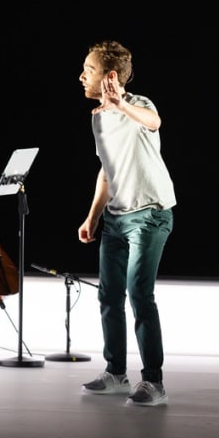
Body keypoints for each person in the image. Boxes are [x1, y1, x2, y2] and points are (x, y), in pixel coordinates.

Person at [77, 40, 176, 407]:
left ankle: (154, 381)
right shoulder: (97, 117)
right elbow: (107, 171)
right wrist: (92, 217)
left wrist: (122, 104)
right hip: (116, 219)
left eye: (88, 69)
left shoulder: (139, 105)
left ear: (110, 76)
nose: (81, 75)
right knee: (108, 295)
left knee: (139, 293)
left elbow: (154, 122)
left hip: (150, 214)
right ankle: (116, 372)